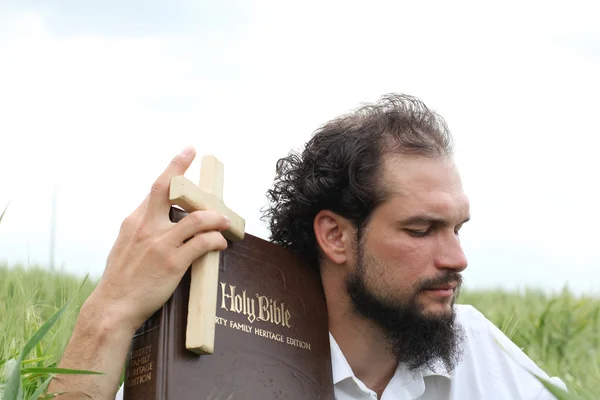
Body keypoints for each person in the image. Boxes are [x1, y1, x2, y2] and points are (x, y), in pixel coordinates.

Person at [48, 93, 567, 399]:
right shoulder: (227, 364)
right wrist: (109, 314)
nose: (457, 259)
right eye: (421, 230)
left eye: (458, 228)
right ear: (336, 236)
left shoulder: (481, 353)